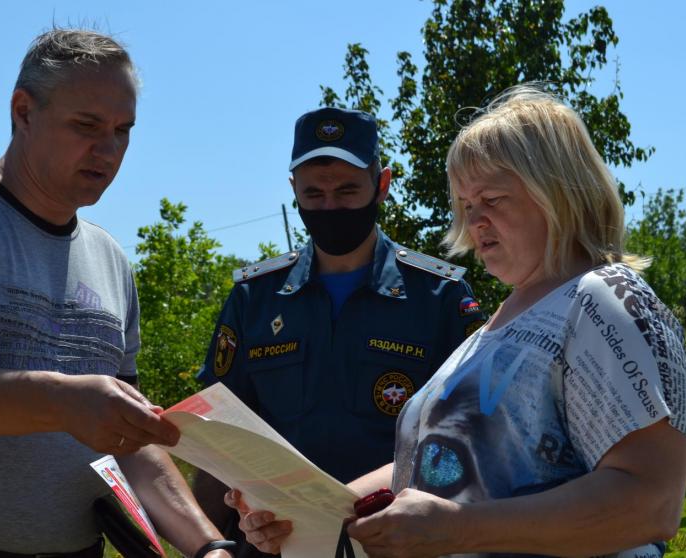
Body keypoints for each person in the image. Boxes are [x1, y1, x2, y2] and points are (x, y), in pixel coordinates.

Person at [230, 86, 686, 557]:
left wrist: (460, 528)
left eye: (492, 198)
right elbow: (431, 472)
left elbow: (651, 503)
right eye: (467, 204)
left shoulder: (604, 297)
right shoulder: (500, 323)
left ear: (557, 192)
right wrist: (308, 510)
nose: (475, 222)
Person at [0, 28, 231, 558]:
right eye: (86, 125)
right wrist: (62, 401)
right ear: (23, 111)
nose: (108, 150)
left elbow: (129, 444)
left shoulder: (110, 259)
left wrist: (210, 547)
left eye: (123, 130)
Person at [193, 107, 485, 554]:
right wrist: (211, 545)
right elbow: (217, 435)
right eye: (314, 193)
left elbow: (469, 437)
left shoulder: (439, 297)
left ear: (382, 185)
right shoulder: (256, 297)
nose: (330, 207)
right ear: (294, 190)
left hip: (392, 545)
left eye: (347, 191)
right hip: (274, 544)